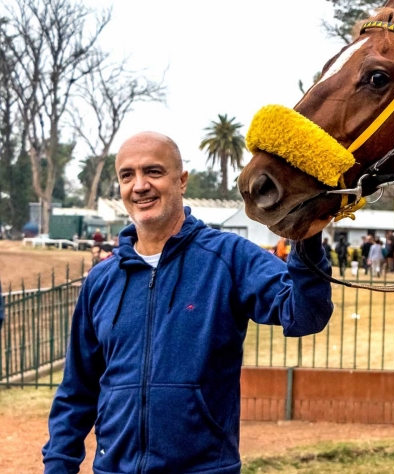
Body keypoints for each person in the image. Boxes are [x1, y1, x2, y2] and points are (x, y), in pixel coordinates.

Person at [42, 132, 333, 474]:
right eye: (127, 175)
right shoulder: (101, 279)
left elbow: (304, 315)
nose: (139, 186)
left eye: (153, 172)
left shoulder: (229, 257)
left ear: (181, 181)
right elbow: (77, 391)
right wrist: (58, 465)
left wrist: (307, 240)